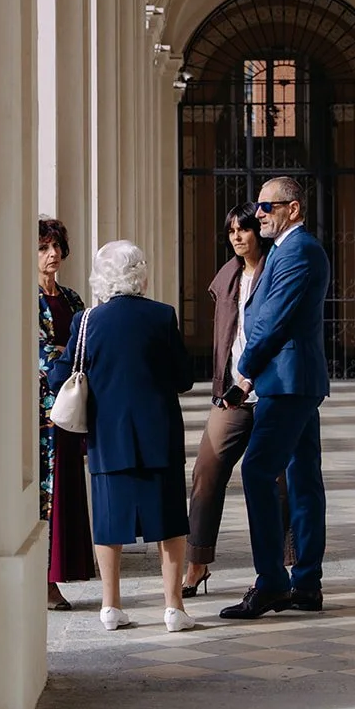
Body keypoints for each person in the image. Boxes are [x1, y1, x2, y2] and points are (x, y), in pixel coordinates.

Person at [48, 241, 196, 632]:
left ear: (101, 277)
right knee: (168, 523)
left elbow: (60, 376)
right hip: (158, 434)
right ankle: (173, 607)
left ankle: (111, 605)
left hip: (108, 435)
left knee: (110, 524)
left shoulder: (86, 322)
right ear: (140, 274)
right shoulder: (162, 316)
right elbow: (183, 378)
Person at [220, 176, 330, 621]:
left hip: (286, 381)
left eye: (268, 206)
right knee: (302, 479)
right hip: (292, 380)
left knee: (257, 471)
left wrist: (243, 376)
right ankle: (306, 583)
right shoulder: (287, 251)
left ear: (294, 209)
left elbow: (272, 321)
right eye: (259, 207)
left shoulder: (298, 251)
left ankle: (271, 583)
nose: (260, 213)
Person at [183, 204, 293, 598]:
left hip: (270, 390)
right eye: (231, 231)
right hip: (231, 392)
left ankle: (282, 566)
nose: (237, 237)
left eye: (244, 229)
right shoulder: (228, 276)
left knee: (278, 479)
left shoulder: (276, 270)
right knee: (206, 470)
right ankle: (197, 562)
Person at [38, 217, 95, 609]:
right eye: (43, 248)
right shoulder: (24, 297)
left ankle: (62, 570)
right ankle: (44, 580)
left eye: (56, 246)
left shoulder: (73, 299)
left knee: (68, 487)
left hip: (72, 404)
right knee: (45, 490)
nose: (52, 254)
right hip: (41, 411)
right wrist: (64, 358)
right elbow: (38, 353)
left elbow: (86, 343)